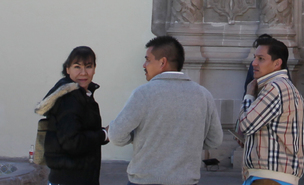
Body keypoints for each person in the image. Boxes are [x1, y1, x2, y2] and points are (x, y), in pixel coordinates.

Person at [108, 35, 223, 185]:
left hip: (145, 180)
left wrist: (138, 138)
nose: (144, 65)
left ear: (162, 62)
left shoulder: (144, 94)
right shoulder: (203, 95)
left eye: (148, 59)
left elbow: (116, 135)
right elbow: (215, 140)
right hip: (186, 181)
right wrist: (187, 142)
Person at [236, 36, 304, 185]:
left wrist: (249, 94)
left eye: (261, 59)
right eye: (255, 58)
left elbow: (245, 125)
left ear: (277, 63)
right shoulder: (279, 87)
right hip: (271, 175)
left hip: (270, 177)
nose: (254, 63)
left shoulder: (276, 88)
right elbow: (244, 130)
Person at [35, 46, 108, 185]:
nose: (83, 72)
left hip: (77, 176)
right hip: (70, 179)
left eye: (88, 66)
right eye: (77, 66)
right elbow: (72, 142)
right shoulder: (70, 99)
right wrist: (103, 134)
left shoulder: (83, 95)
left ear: (94, 68)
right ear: (67, 69)